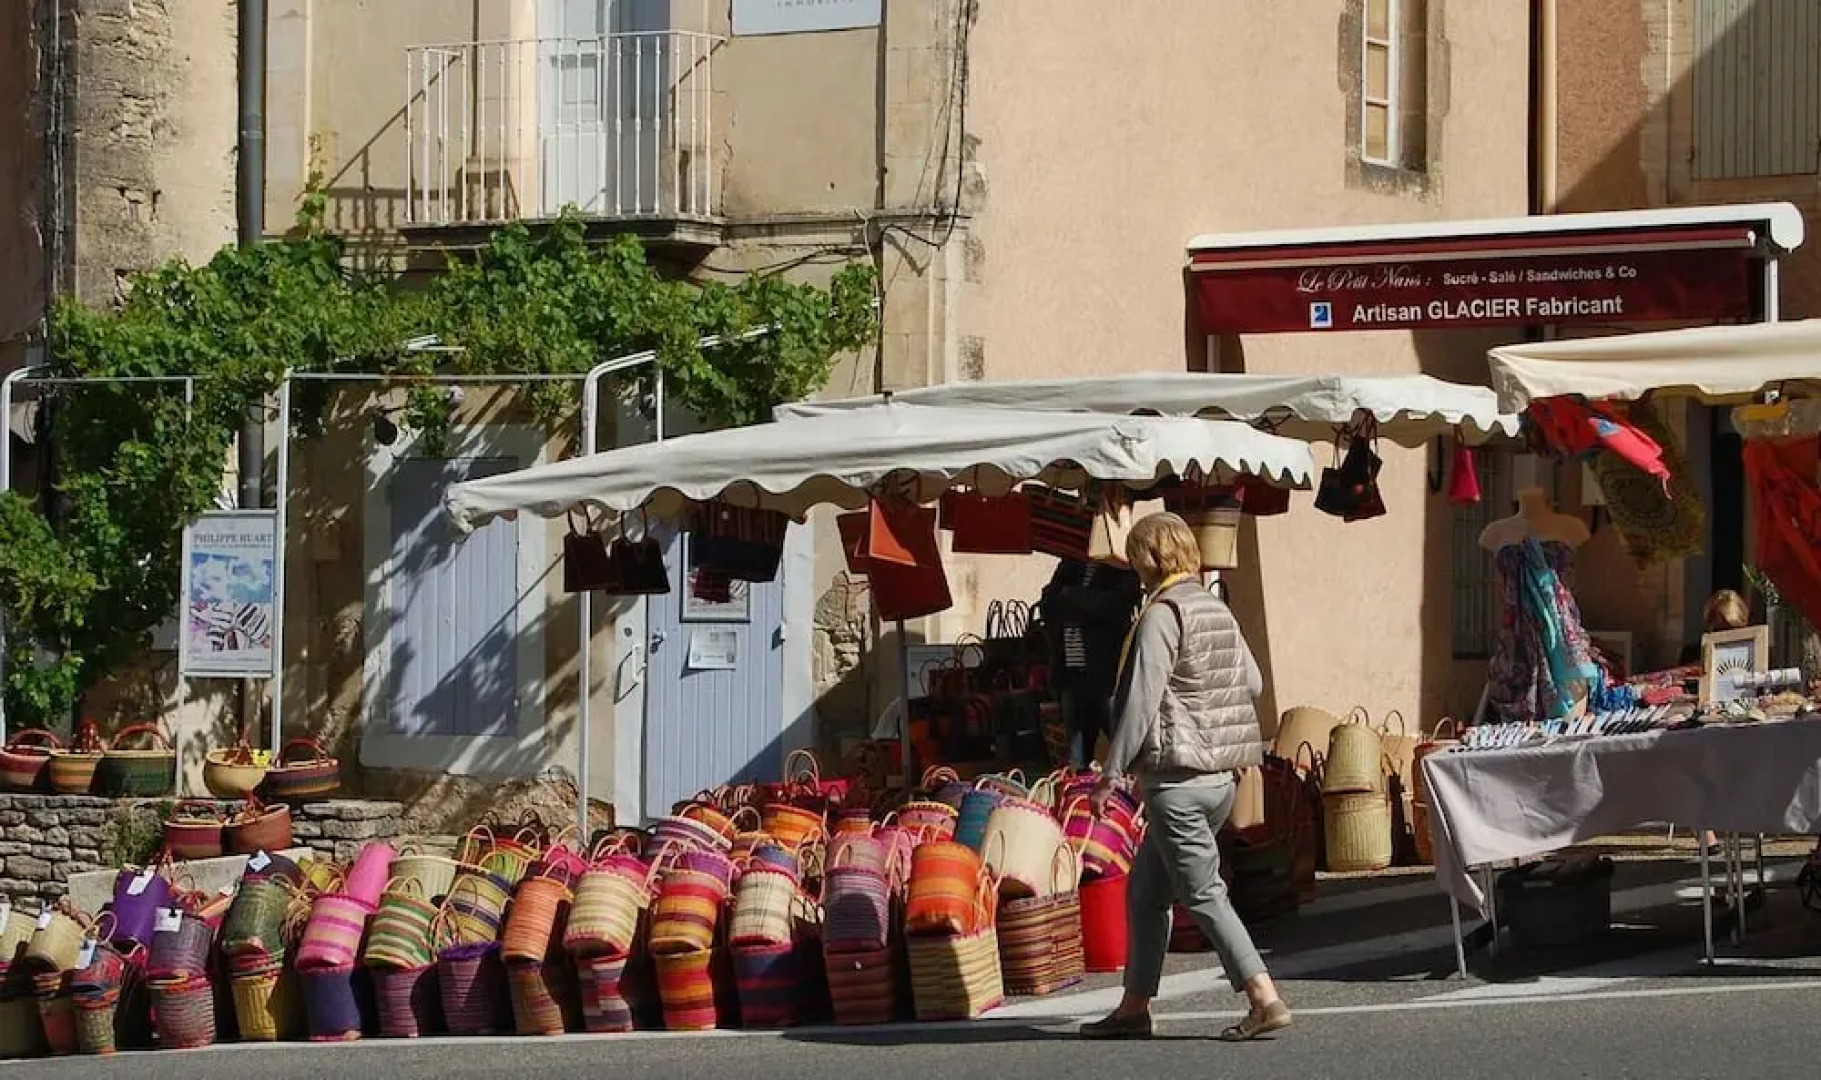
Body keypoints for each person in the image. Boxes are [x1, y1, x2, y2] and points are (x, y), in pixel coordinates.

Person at [1079, 512, 1290, 1042]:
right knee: (1147, 890)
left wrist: (1110, 774)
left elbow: (1140, 701)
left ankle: (1263, 996)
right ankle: (1133, 1006)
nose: (1131, 566)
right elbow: (1253, 682)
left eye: (1134, 555)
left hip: (1178, 781)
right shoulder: (1216, 609)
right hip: (1220, 779)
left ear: (1150, 558)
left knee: (1203, 892)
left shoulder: (1161, 615)